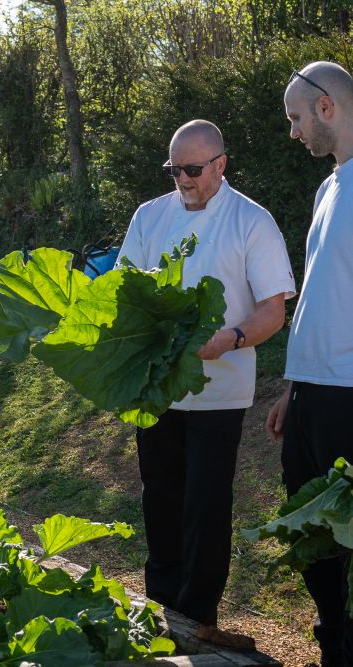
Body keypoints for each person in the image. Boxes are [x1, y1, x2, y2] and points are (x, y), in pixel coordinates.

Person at [118, 119, 295, 648]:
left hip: (221, 392)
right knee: (160, 499)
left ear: (220, 165)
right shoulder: (149, 216)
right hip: (158, 387)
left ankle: (197, 618)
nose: (183, 180)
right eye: (174, 170)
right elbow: (123, 291)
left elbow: (273, 310)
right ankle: (162, 612)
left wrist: (231, 338)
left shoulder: (251, 221)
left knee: (206, 506)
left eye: (193, 170)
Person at [268, 61, 353, 667]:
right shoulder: (329, 188)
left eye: (296, 118)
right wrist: (291, 388)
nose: (293, 132)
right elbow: (322, 296)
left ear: (327, 107)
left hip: (349, 393)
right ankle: (332, 644)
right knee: (312, 532)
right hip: (311, 394)